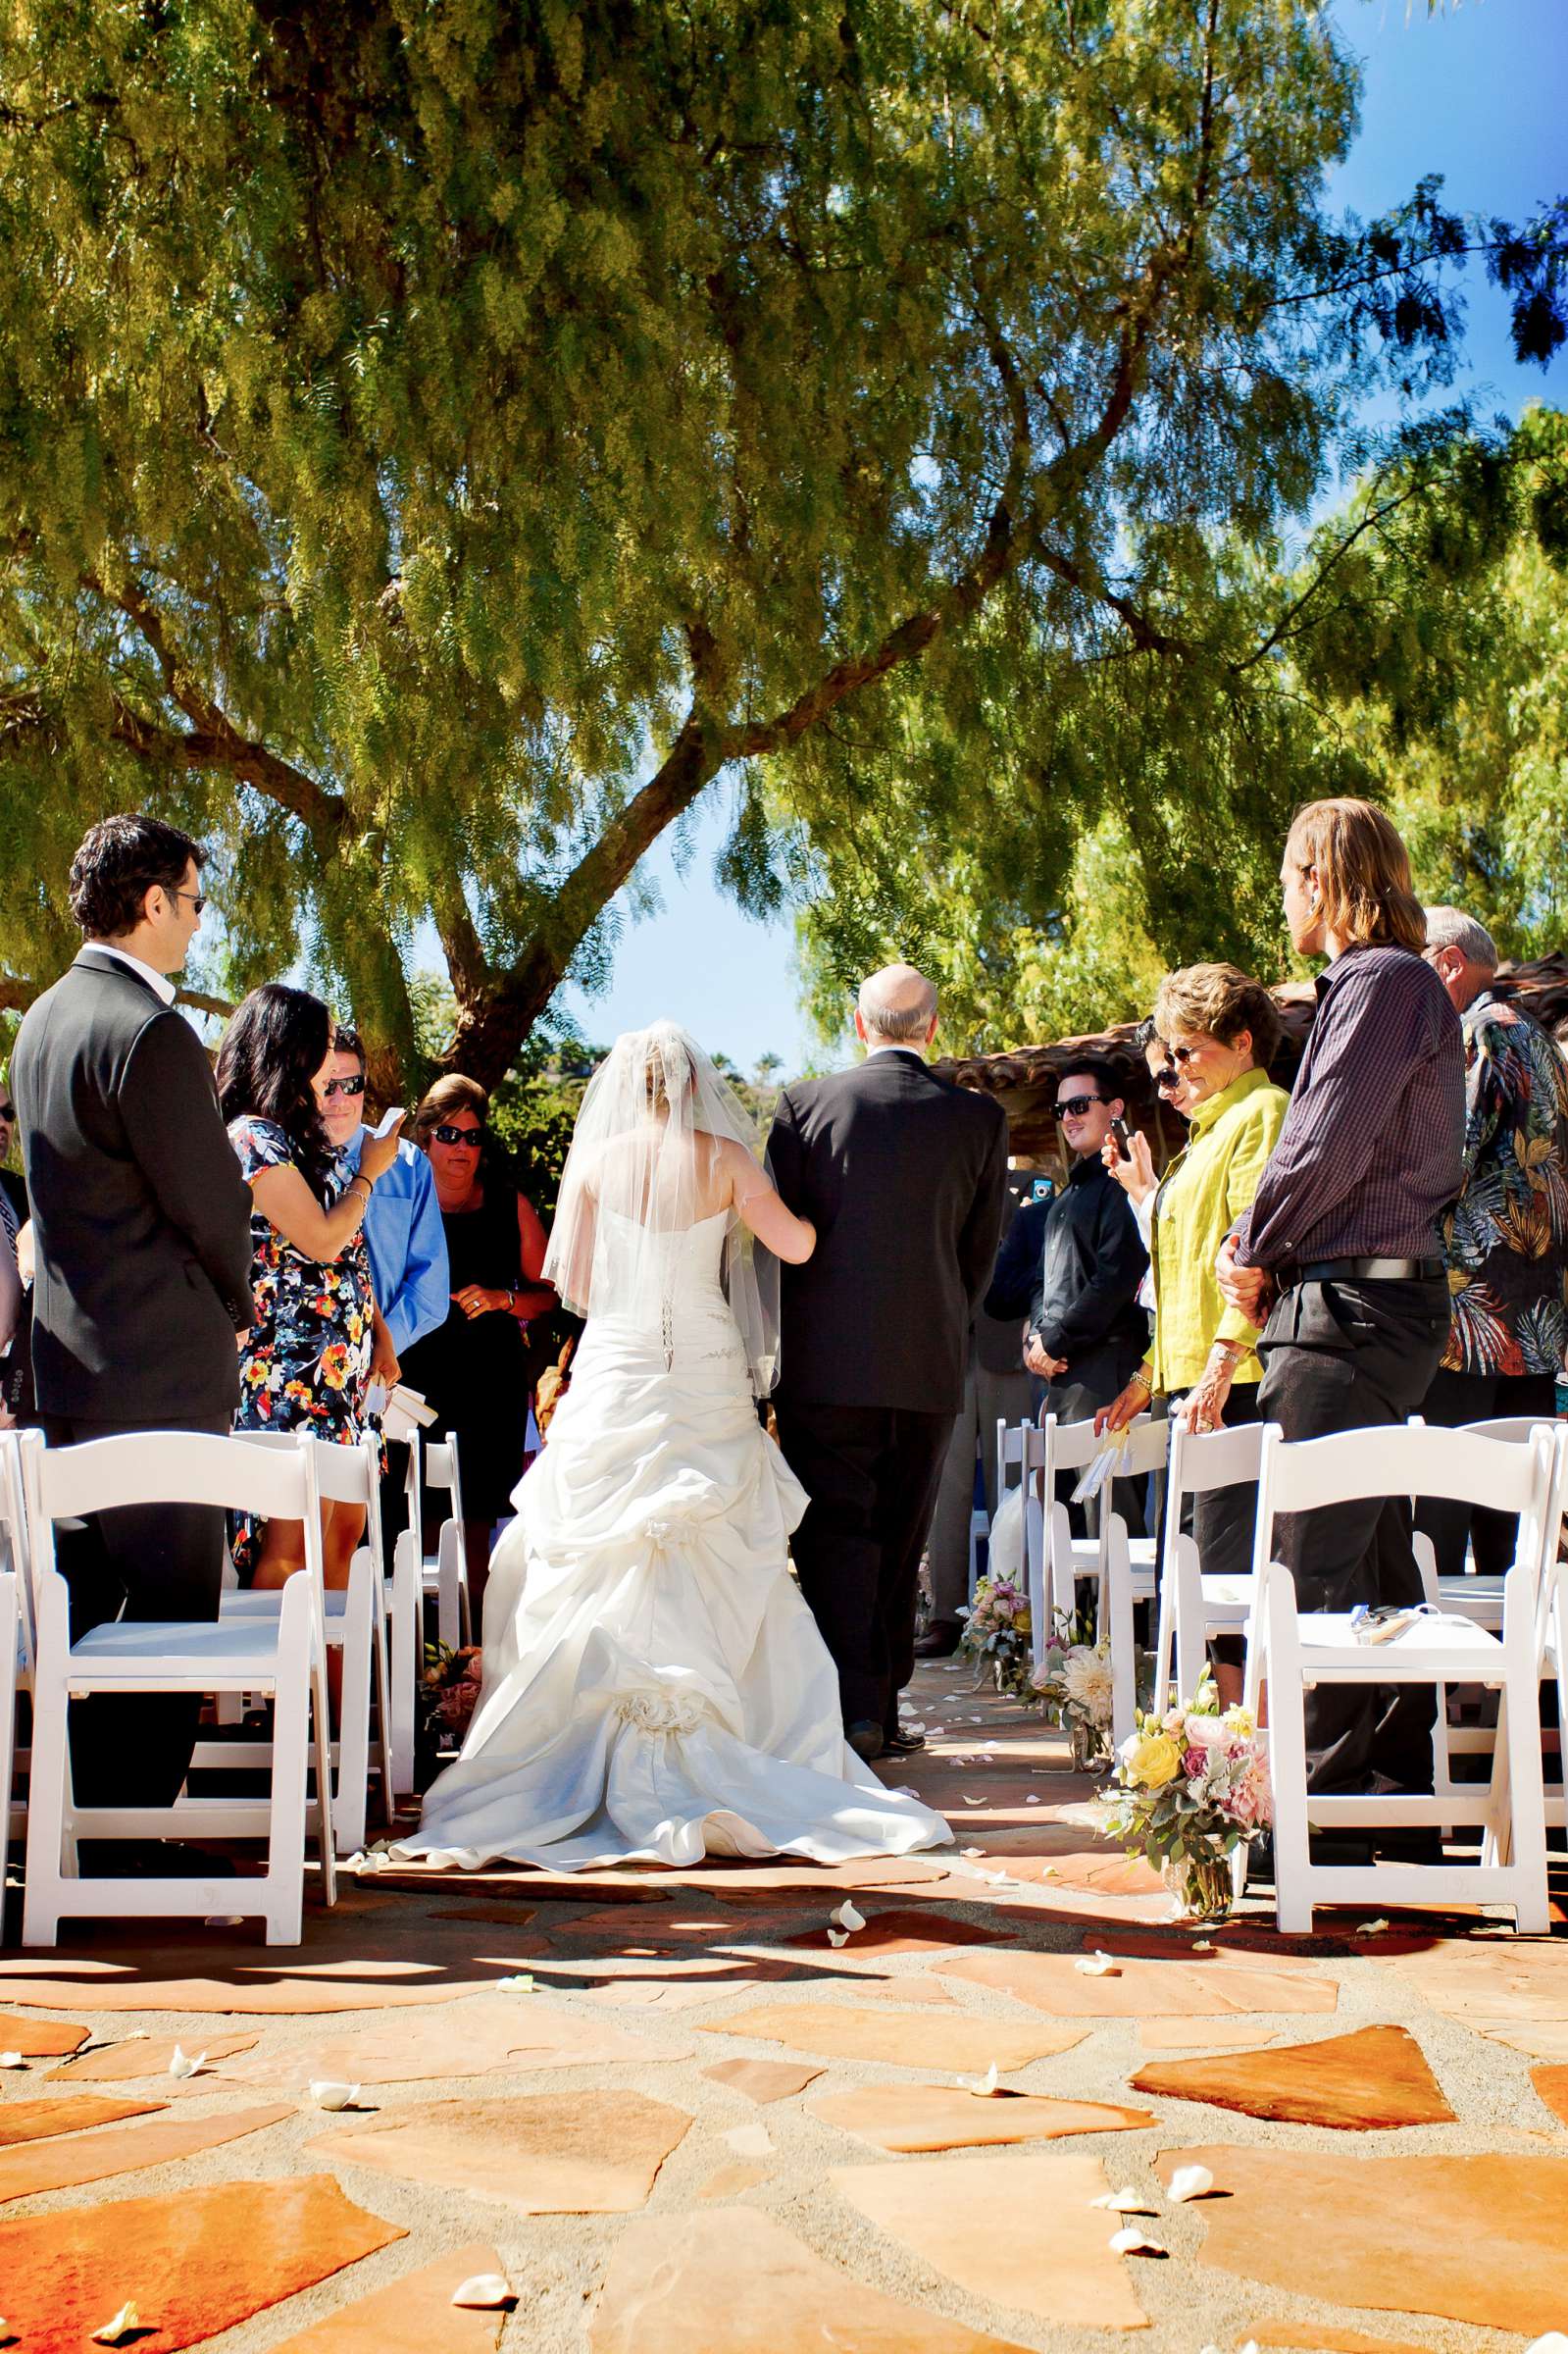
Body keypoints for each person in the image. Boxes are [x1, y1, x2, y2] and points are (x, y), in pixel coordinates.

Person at [396, 1019, 950, 1870]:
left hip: (618, 1363)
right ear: (692, 1082)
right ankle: (733, 1737)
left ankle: (572, 1743)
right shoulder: (726, 1158)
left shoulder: (599, 1161)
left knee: (591, 1544)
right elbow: (795, 1245)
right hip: (698, 1362)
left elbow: (573, 1280)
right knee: (721, 1545)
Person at [11, 811, 254, 1842]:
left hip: (61, 1372)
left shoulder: (42, 1023)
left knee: (84, 1625)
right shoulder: (150, 1032)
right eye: (194, 903)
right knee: (167, 1623)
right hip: (158, 1374)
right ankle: (123, 1848)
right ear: (151, 903)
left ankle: (73, 1838)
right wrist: (231, 1311)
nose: (198, 926)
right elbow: (211, 1201)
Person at [1217, 798, 1464, 1812]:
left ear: (1321, 877)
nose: (1282, 896)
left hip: (1355, 1306)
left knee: (1310, 1568)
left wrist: (1250, 1245)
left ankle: (1317, 1816)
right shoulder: (1385, 988)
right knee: (1368, 1568)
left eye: (1287, 875)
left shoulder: (1382, 983)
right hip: (1368, 1303)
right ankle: (1388, 1810)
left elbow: (1323, 1145)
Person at [767, 965, 1009, 1761]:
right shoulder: (977, 1119)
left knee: (834, 1538)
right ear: (931, 1028)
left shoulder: (804, 1107)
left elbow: (783, 1242)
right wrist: (939, 1314)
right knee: (900, 1539)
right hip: (927, 1361)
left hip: (824, 1367)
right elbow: (979, 1253)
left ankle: (853, 1711)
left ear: (859, 1025)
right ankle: (879, 1705)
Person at [1097, 966, 1290, 1687]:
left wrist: (1214, 1371)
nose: (1171, 1070)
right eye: (1167, 1058)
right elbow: (1179, 1279)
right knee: (1191, 1570)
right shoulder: (1203, 1135)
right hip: (1193, 1384)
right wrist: (1147, 1375)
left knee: (1224, 1576)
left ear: (1241, 1042)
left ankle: (1231, 1764)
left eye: (1187, 1051)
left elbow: (1254, 1257)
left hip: (1236, 1383)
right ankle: (1203, 1753)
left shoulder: (1262, 1111)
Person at [217, 985, 403, 1588]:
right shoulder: (252, 1138)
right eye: (320, 1049)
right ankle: (281, 1684)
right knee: (290, 1550)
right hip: (289, 1378)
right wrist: (370, 1173)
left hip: (340, 1378)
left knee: (339, 1548)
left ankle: (334, 1686)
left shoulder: (301, 1143)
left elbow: (345, 1259)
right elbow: (320, 1239)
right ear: (286, 1053)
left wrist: (379, 1333)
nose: (328, 1068)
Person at [1414, 907, 1568, 1578]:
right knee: (1511, 1529)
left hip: (1469, 1318)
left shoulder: (1474, 1033)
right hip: (1536, 1321)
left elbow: (1445, 1159)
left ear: (1446, 963)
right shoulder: (1537, 1038)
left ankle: (1442, 1684)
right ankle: (1507, 1681)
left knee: (1441, 1516)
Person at [397, 1075, 557, 1635]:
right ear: (425, 1137)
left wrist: (502, 1298)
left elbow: (550, 1294)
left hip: (489, 1382)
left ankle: (471, 1653)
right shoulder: (398, 1201)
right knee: (407, 1516)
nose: (462, 1148)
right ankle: (407, 1652)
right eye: (449, 1134)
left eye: (472, 1136)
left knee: (476, 1523)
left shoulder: (508, 1205)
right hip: (412, 1378)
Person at [921, 1161, 1037, 1658]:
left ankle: (1012, 1617)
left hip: (1003, 1355)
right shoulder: (925, 1189)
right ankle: (945, 1615)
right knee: (945, 1493)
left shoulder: (1016, 1194)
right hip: (944, 1356)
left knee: (1011, 1486)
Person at [320, 1025, 450, 1361]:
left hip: (384, 1369)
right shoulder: (280, 1162)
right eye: (327, 1085)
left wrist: (383, 1345)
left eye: (351, 1085)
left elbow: (430, 1286)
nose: (339, 1099)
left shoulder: (408, 1165)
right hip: (296, 1362)